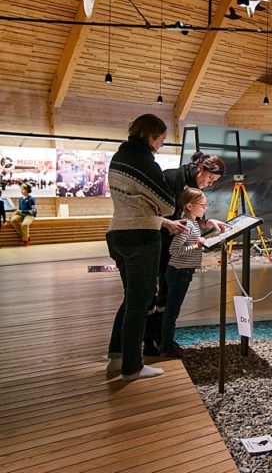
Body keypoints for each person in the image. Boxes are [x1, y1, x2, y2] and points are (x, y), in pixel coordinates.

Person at [105, 114, 188, 380]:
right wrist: (161, 213)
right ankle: (132, 366)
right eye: (162, 140)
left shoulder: (119, 157)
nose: (161, 145)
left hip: (117, 233)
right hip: (141, 237)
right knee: (141, 302)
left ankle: (117, 357)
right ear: (152, 136)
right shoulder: (144, 162)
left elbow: (135, 202)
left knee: (131, 298)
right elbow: (167, 204)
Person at [144, 151, 227, 355]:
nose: (210, 183)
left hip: (172, 246)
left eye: (214, 181)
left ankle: (162, 340)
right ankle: (151, 341)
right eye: (209, 178)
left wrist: (208, 222)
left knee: (166, 294)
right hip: (158, 241)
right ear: (200, 168)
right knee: (154, 294)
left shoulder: (194, 189)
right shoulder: (172, 178)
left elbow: (192, 217)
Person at [160, 188, 208, 358]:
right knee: (172, 310)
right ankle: (166, 345)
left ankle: (167, 342)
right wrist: (196, 246)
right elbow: (174, 250)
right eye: (202, 205)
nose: (205, 208)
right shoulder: (186, 225)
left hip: (183, 272)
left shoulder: (194, 223)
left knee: (173, 309)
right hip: (179, 272)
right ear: (189, 205)